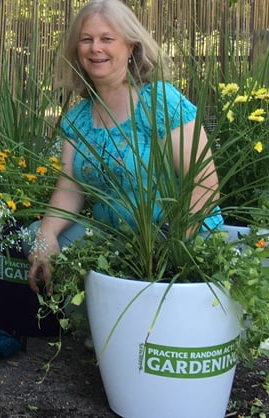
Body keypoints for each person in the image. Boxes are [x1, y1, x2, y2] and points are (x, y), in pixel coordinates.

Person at [26, 0, 223, 294]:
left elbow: (204, 185)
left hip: (181, 238)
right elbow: (70, 189)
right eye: (86, 39)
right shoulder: (77, 119)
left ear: (131, 47)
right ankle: (93, 320)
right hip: (116, 240)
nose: (96, 48)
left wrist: (167, 248)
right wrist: (46, 234)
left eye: (107, 39)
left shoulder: (160, 102)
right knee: (34, 236)